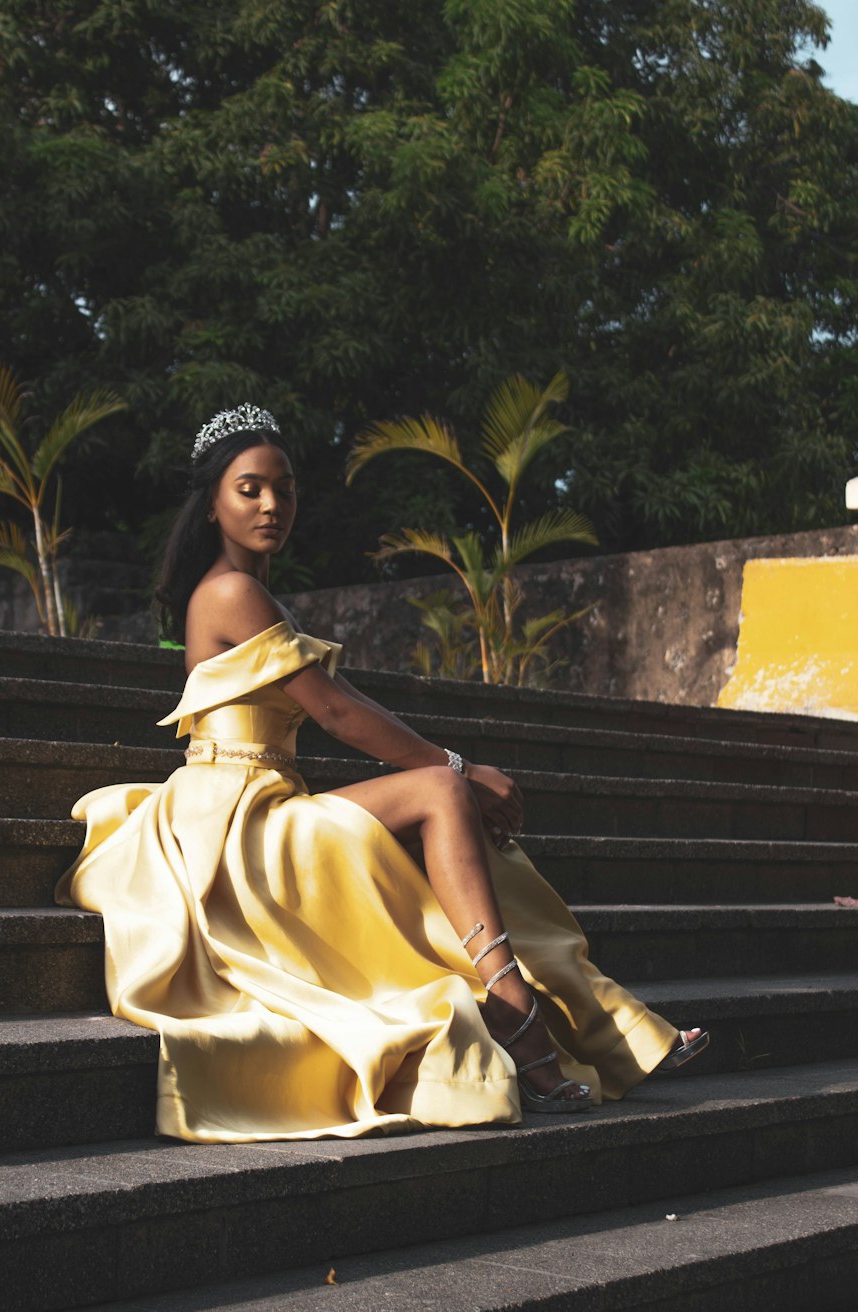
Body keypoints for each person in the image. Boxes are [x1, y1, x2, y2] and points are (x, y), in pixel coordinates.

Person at [56, 404, 708, 1143]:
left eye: (286, 489)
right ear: (211, 504)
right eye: (250, 489)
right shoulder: (230, 592)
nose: (273, 505)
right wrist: (459, 766)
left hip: (267, 801)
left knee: (447, 804)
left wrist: (457, 772)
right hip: (234, 824)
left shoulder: (252, 592)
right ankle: (532, 1008)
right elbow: (334, 713)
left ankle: (586, 1018)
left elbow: (346, 702)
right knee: (440, 790)